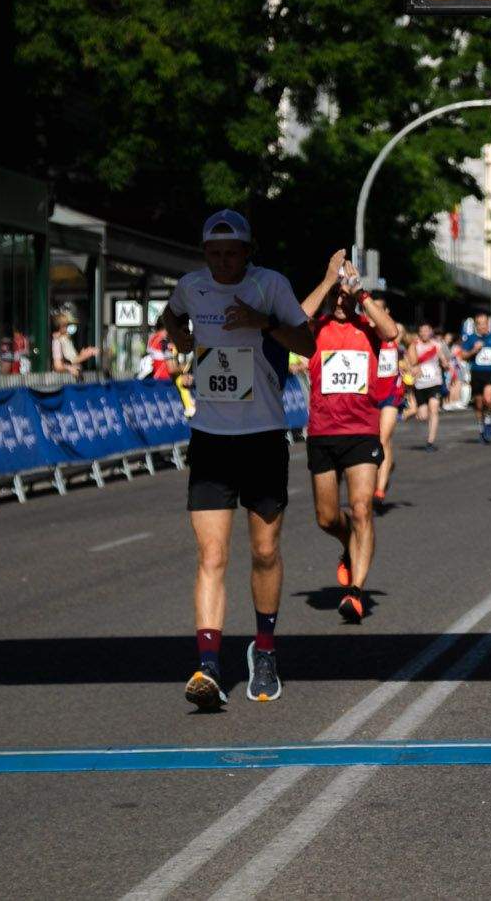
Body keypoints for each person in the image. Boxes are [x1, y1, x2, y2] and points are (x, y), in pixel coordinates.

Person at [156, 209, 314, 709]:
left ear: (248, 251)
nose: (223, 262)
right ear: (205, 254)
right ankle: (207, 666)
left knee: (264, 552)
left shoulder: (271, 286)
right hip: (211, 439)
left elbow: (308, 343)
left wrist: (262, 323)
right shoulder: (191, 286)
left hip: (264, 437)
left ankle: (263, 651)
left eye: (232, 253)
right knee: (212, 556)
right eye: (214, 253)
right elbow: (171, 315)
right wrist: (176, 334)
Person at [299, 249, 398, 624]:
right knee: (327, 518)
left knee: (361, 510)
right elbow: (295, 316)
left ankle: (355, 592)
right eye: (336, 295)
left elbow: (391, 331)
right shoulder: (316, 329)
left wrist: (361, 292)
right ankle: (347, 545)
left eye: (346, 295)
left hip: (360, 432)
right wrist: (328, 280)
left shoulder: (368, 329)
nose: (341, 300)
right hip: (324, 433)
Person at [458, 312, 491, 443]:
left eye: (485, 323)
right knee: (478, 404)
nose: (483, 326)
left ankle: (488, 421)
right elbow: (463, 356)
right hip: (476, 374)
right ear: (476, 325)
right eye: (480, 324)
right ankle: (481, 429)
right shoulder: (470, 338)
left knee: (488, 400)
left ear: (488, 324)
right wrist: (473, 350)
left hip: (490, 373)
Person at [372, 324, 405, 502]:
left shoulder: (394, 336)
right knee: (375, 440)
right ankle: (386, 464)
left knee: (383, 438)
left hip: (391, 396)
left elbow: (411, 357)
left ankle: (380, 488)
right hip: (370, 395)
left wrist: (411, 368)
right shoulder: (366, 337)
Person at [406, 322, 447, 451]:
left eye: (426, 330)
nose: (424, 333)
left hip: (434, 382)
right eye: (422, 331)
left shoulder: (436, 345)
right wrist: (412, 370)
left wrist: (445, 364)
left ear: (431, 332)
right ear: (419, 332)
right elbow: (409, 363)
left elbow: (443, 360)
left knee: (434, 409)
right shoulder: (415, 346)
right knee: (423, 415)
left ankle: (430, 441)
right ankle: (418, 413)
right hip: (420, 384)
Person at [51, 312, 100, 377]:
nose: (69, 328)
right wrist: (70, 368)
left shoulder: (66, 339)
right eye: (66, 325)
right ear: (60, 327)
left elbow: (72, 359)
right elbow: (58, 366)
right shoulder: (57, 341)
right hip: (65, 382)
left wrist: (83, 354)